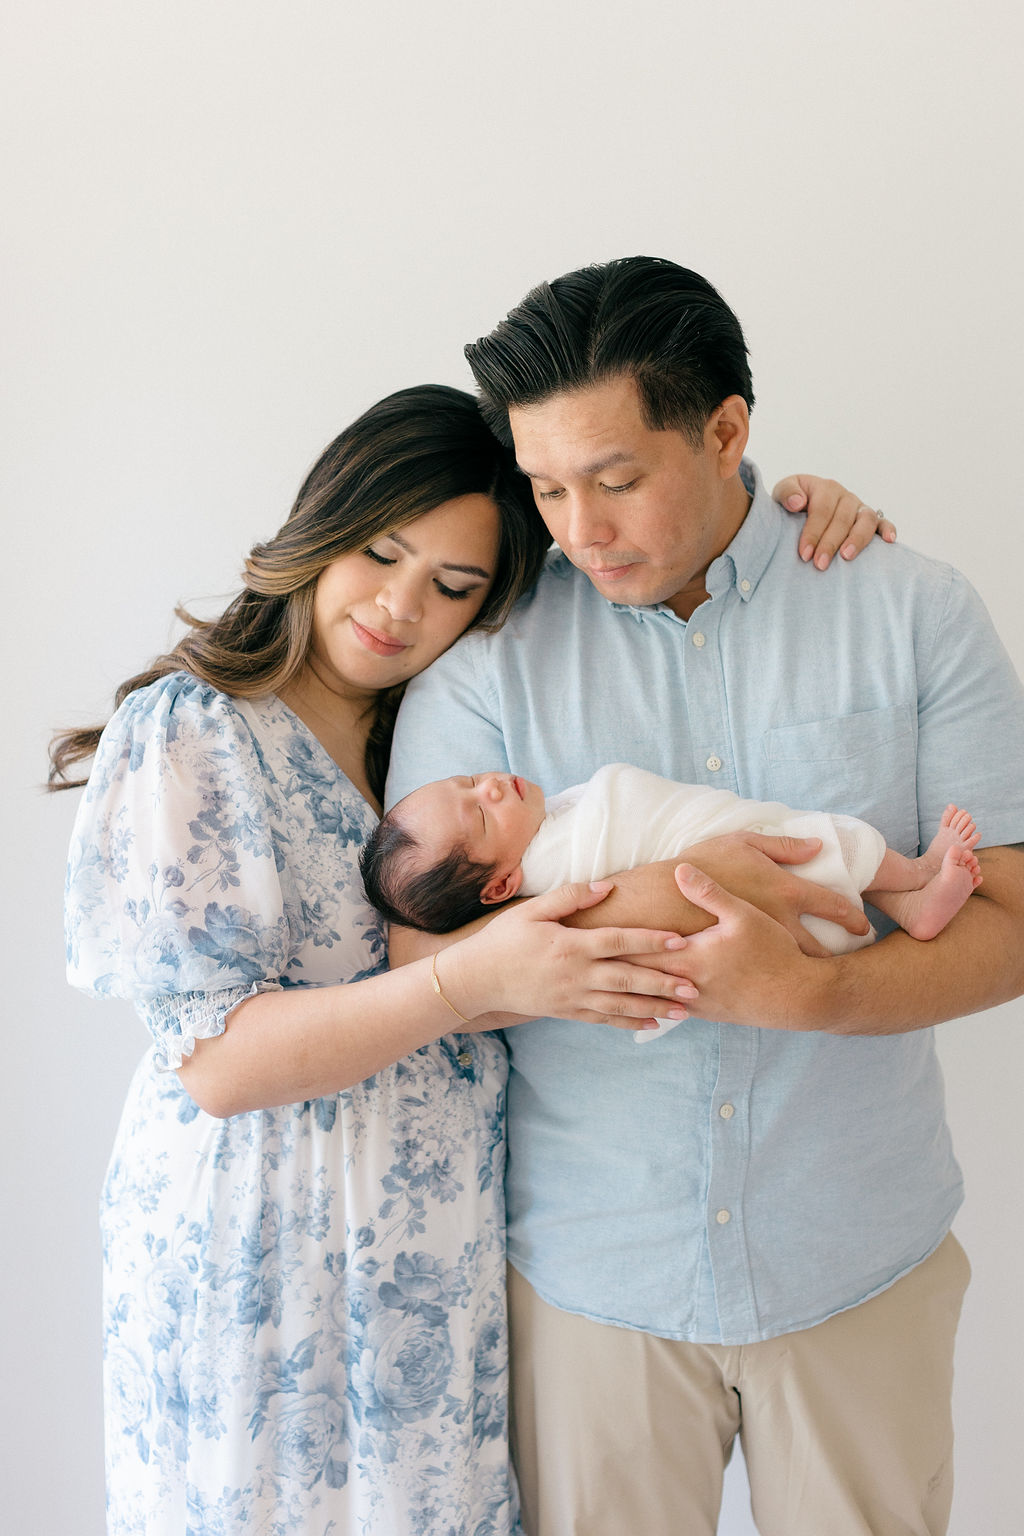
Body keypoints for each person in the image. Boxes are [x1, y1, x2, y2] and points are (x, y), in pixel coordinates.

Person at [58, 384, 777, 1536]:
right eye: (378, 554)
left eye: (452, 588)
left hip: (430, 1250)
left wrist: (799, 509)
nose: (399, 608)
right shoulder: (198, 730)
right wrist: (467, 984)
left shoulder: (435, 739)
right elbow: (218, 1065)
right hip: (265, 1241)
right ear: (321, 526)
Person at [384, 260, 1024, 1536]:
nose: (578, 527)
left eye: (615, 479)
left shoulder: (909, 610)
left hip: (856, 1259)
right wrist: (668, 896)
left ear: (728, 430)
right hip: (590, 1277)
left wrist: (820, 992)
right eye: (546, 487)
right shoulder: (488, 654)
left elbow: (1009, 919)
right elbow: (422, 963)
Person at [359, 764, 983, 1041]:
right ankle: (917, 878)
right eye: (481, 813)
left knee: (811, 843)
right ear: (499, 889)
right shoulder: (550, 876)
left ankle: (908, 900)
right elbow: (422, 969)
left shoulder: (546, 824)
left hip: (779, 929)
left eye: (468, 781)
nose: (491, 785)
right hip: (759, 917)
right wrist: (677, 881)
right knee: (824, 839)